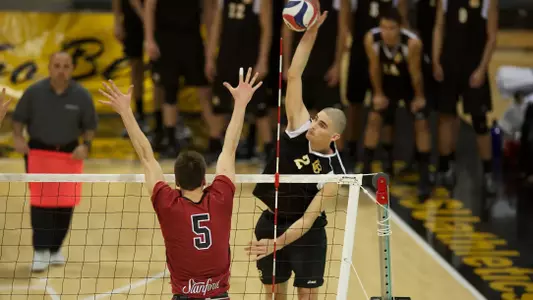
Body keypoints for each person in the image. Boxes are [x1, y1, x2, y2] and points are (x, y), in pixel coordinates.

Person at [99, 67, 263, 300]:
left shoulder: (168, 204)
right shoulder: (220, 197)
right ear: (205, 181)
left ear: (176, 183)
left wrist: (125, 111)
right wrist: (241, 103)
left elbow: (146, 155)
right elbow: (229, 148)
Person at [246, 9, 347, 300]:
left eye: (322, 125)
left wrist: (277, 244)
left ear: (335, 137)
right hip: (271, 221)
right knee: (275, 296)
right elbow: (294, 74)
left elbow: (307, 219)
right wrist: (311, 31)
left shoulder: (334, 172)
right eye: (315, 119)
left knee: (306, 296)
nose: (313, 125)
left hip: (308, 234)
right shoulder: (297, 130)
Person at [12, 51, 98, 272]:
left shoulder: (82, 96)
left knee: (65, 204)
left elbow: (90, 126)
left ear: (72, 69)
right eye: (57, 65)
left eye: (66, 66)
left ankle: (55, 248)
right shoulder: (34, 92)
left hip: (69, 155)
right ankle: (40, 251)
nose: (61, 70)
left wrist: (85, 146)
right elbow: (18, 119)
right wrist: (18, 138)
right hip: (39, 153)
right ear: (49, 68)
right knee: (41, 203)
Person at [360, 9, 432, 199]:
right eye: (383, 27)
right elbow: (374, 68)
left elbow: (416, 75)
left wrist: (419, 98)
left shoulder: (412, 43)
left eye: (391, 28)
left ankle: (424, 178)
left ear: (400, 28)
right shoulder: (371, 39)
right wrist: (378, 94)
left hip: (411, 83)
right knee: (375, 117)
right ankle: (366, 172)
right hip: (388, 81)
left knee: (421, 121)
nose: (387, 32)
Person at [432, 0, 498, 195]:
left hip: (473, 67)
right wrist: (436, 60)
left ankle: (488, 174)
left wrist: (482, 69)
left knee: (479, 121)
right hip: (449, 64)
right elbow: (439, 27)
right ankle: (445, 168)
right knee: (446, 116)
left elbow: (492, 38)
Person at [144, 0, 218, 158]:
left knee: (204, 90)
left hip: (192, 39)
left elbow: (209, 12)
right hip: (165, 40)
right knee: (169, 92)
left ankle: (215, 141)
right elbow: (149, 7)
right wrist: (149, 39)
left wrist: (210, 49)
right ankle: (170, 140)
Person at [283, 0, 350, 167]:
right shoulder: (296, 2)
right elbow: (287, 30)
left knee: (330, 118)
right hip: (303, 62)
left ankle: (338, 164)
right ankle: (308, 162)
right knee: (304, 117)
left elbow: (343, 31)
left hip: (326, 63)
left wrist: (337, 64)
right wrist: (286, 64)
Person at [205, 0, 274, 164]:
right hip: (226, 58)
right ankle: (214, 146)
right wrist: (209, 57)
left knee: (259, 108)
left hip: (250, 59)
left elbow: (266, 30)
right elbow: (216, 26)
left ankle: (268, 150)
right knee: (219, 105)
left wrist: (263, 60)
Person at [346, 0, 409, 172]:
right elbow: (348, 16)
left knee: (386, 105)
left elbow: (402, 17)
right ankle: (351, 149)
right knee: (355, 101)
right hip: (360, 48)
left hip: (387, 52)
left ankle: (387, 153)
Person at [112, 0, 150, 135]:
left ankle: (164, 120)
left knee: (163, 69)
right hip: (134, 17)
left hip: (158, 16)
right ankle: (139, 114)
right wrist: (117, 21)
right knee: (136, 67)